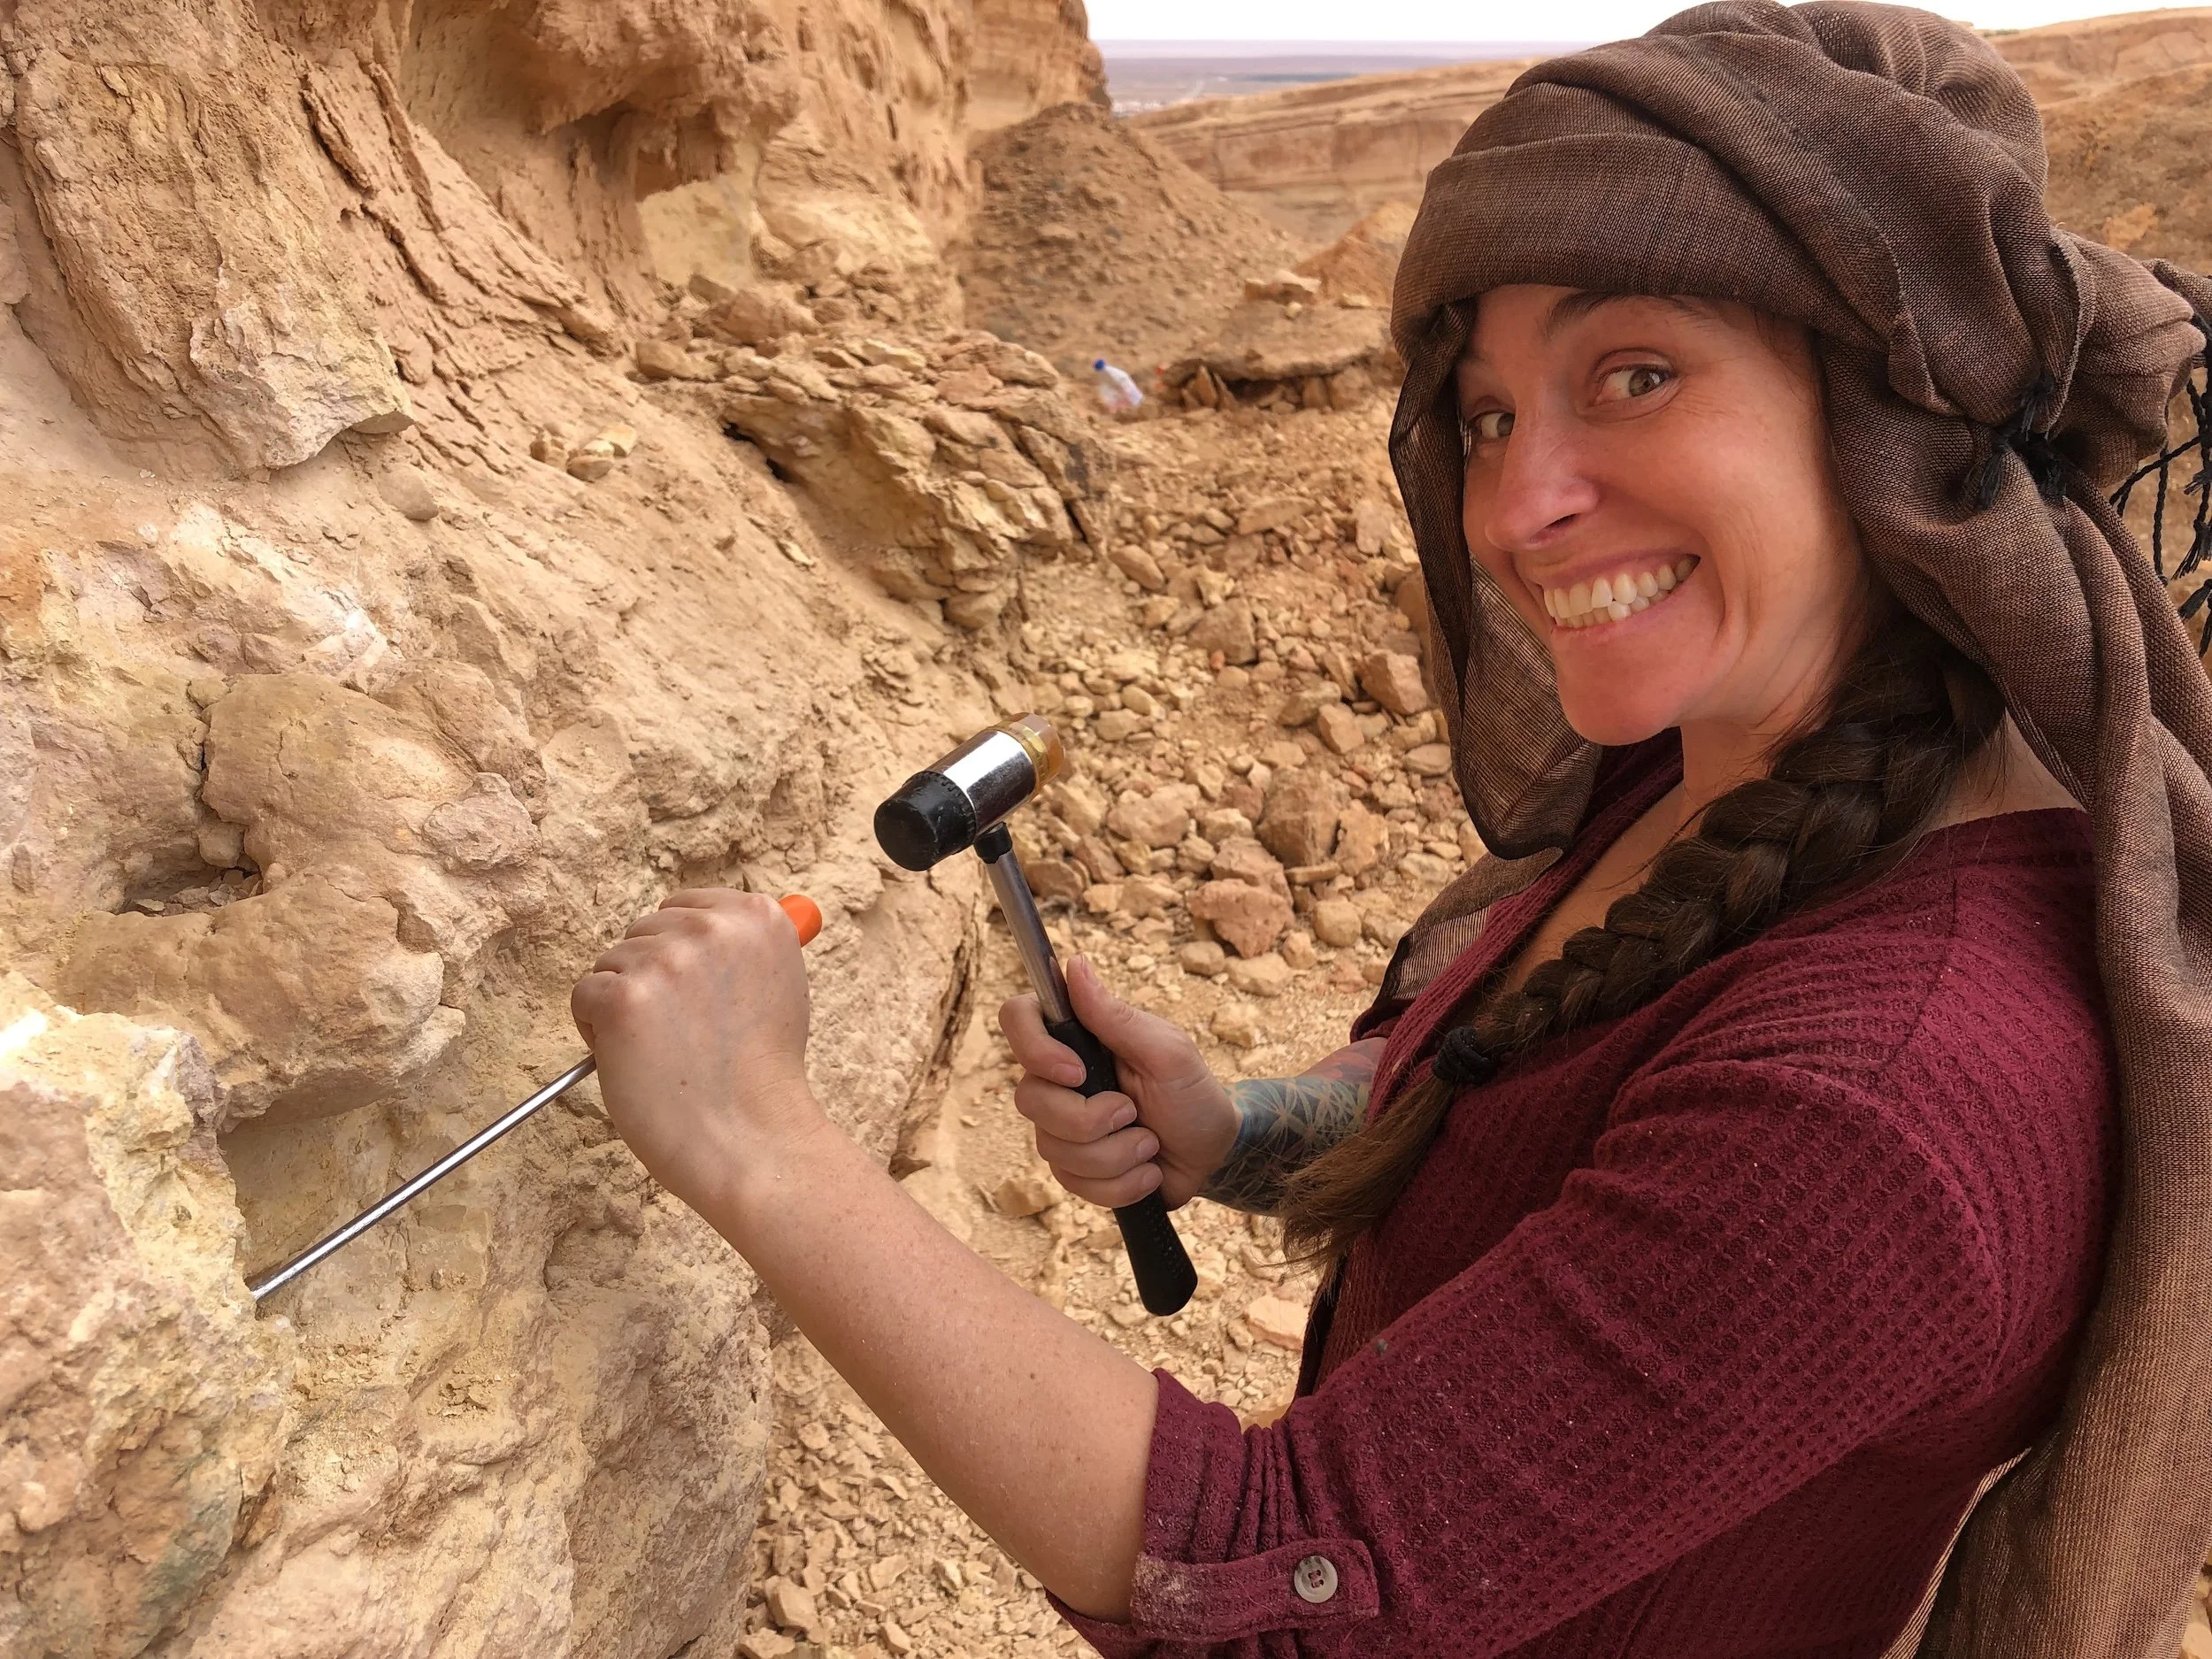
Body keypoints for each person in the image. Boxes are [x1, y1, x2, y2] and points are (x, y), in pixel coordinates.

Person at [568, 4, 2212, 1655]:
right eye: (1490, 413)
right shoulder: (1733, 752)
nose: (1515, 506)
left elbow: (1277, 1577)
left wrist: (751, 1138)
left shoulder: (1889, 1096)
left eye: (1635, 374)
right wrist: (1250, 1134)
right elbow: (1555, 1088)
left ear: (1887, 415)